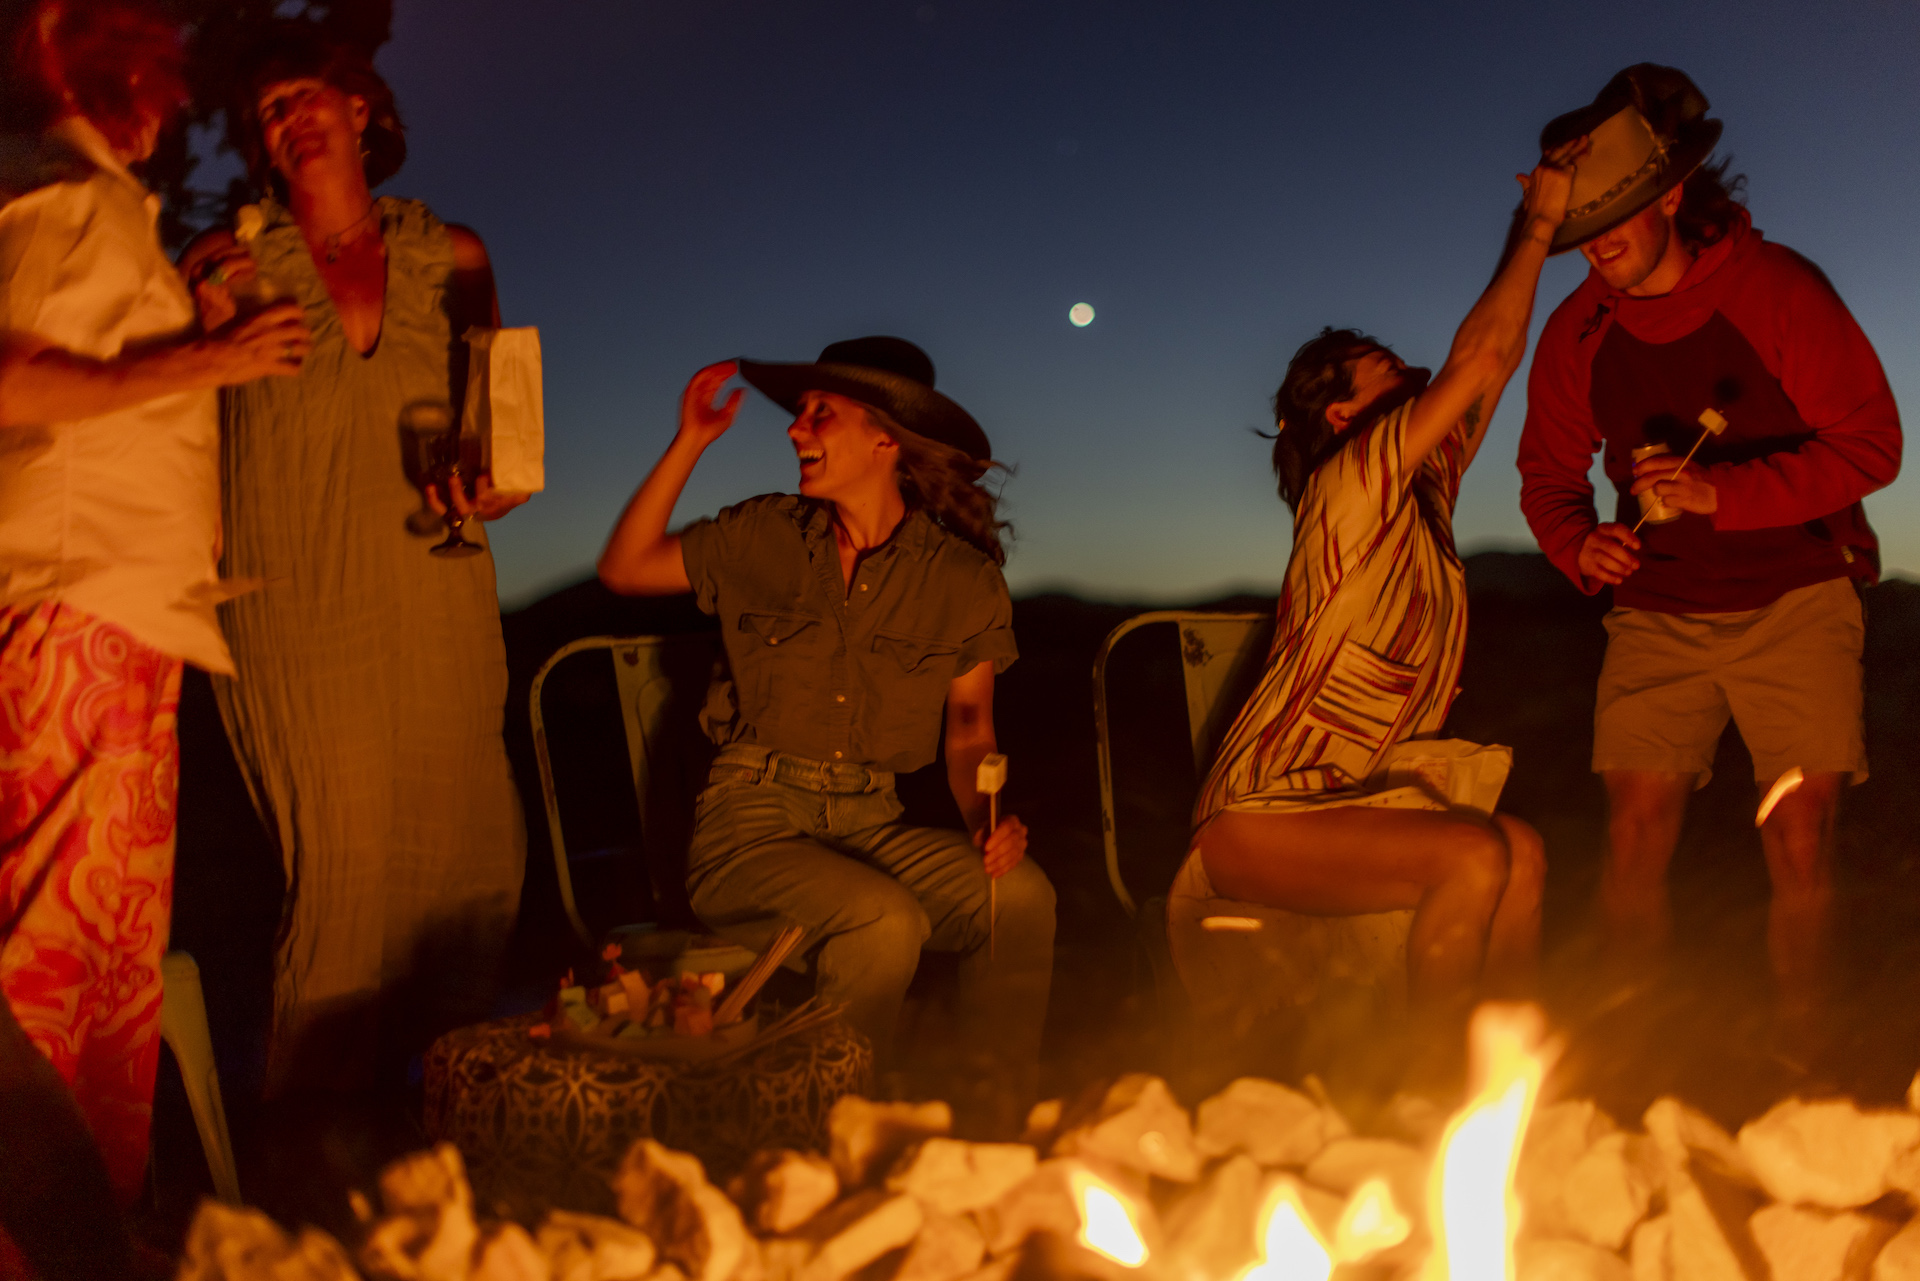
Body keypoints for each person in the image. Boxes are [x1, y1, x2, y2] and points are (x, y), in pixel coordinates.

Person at [0, 0, 310, 1249]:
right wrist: (205, 364)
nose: (171, 112)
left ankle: (89, 1235)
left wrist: (194, 334)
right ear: (95, 63)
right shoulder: (51, 186)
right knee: (47, 961)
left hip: (126, 616)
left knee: (110, 973)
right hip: (71, 605)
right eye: (159, 82)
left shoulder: (101, 204)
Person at [179, 23, 528, 1095]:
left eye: (303, 96)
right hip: (294, 584)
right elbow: (180, 419)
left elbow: (505, 416)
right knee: (340, 866)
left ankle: (448, 1128)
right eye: (267, 111)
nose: (288, 118)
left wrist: (499, 480)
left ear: (361, 109)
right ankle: (313, 1148)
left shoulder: (451, 251)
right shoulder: (231, 260)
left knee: (467, 851)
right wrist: (199, 331)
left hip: (434, 573)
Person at [1515, 66, 1901, 1007]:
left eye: (1618, 213)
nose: (1598, 241)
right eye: (1581, 225)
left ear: (1671, 195)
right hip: (1659, 610)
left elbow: (1871, 446)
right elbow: (1549, 475)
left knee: (1800, 840)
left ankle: (1806, 1053)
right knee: (1633, 838)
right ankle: (1629, 1044)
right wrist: (1578, 545)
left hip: (1798, 594)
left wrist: (1716, 494)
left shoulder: (1777, 289)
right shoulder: (1577, 333)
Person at [1173, 143, 1585, 1015]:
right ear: (1343, 412)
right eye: (1389, 368)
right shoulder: (1349, 480)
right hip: (1261, 811)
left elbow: (1495, 361)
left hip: (1349, 804)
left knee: (1522, 851)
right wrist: (1543, 222)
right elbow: (1479, 362)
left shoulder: (1420, 490)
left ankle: (1507, 1065)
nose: (1416, 373)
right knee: (1473, 856)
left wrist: (1531, 229)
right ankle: (1432, 1076)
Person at [598, 338, 1055, 1116]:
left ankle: (991, 1122)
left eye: (820, 413)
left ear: (886, 439)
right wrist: (691, 441)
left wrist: (988, 819)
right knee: (884, 919)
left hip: (870, 823)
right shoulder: (764, 534)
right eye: (799, 412)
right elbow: (625, 565)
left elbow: (970, 730)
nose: (794, 428)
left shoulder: (962, 578)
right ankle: (833, 1127)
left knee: (1020, 895)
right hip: (751, 823)